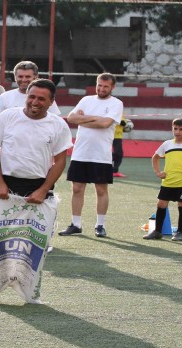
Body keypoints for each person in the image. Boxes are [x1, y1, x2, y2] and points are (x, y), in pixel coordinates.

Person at [0, 78, 72, 204]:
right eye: (31, 97)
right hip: (4, 184)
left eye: (41, 99)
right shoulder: (7, 116)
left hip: (38, 187)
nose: (35, 102)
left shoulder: (59, 125)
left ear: (51, 102)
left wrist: (43, 190)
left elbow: (60, 161)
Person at [59, 73, 123, 238]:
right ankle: (76, 224)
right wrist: (93, 118)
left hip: (101, 155)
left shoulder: (116, 103)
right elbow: (71, 117)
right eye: (99, 85)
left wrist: (83, 119)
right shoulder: (86, 100)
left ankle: (100, 225)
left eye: (105, 86)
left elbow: (105, 124)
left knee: (101, 190)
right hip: (80, 152)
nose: (101, 89)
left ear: (112, 87)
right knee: (77, 189)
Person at [143, 118, 182, 241]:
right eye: (175, 128)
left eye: (181, 129)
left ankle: (179, 233)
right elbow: (155, 157)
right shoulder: (167, 144)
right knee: (161, 204)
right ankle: (157, 232)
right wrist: (158, 172)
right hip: (168, 181)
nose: (177, 132)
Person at [0, 61, 60, 125]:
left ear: (36, 77)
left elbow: (55, 121)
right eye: (20, 76)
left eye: (27, 77)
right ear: (15, 77)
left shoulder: (45, 96)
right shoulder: (5, 97)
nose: (24, 80)